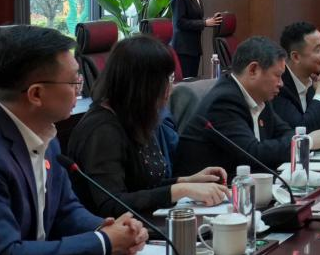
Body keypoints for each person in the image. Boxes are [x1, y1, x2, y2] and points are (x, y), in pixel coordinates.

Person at [0, 26, 147, 255]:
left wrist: (107, 228)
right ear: (36, 94)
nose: (79, 90)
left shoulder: (43, 130)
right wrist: (103, 243)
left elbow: (64, 211)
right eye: (74, 82)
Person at [66, 35, 229, 218]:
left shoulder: (134, 116)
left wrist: (187, 181)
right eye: (168, 79)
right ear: (145, 84)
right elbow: (112, 204)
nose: (171, 88)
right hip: (114, 231)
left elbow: (142, 185)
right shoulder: (101, 130)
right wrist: (180, 190)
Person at [174, 36, 320, 176]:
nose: (281, 83)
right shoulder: (223, 101)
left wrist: (298, 141)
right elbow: (252, 153)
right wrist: (306, 142)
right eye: (277, 76)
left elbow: (285, 132)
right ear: (253, 70)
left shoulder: (260, 97)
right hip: (206, 193)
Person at [272, 21, 320, 132]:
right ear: (296, 57)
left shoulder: (314, 79)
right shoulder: (279, 86)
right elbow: (301, 130)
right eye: (318, 49)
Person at [170, 0, 222, 79]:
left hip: (194, 47)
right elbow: (180, 23)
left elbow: (194, 17)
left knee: (193, 81)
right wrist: (205, 23)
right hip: (183, 49)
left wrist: (210, 20)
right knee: (186, 82)